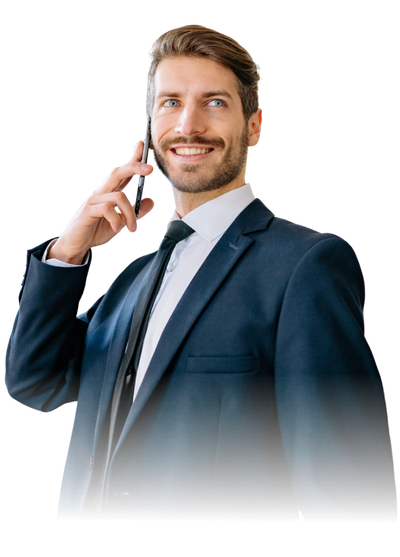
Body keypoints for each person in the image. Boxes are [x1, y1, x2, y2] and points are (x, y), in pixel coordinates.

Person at [4, 23, 396, 520]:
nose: (189, 125)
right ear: (149, 127)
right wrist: (68, 250)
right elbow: (34, 382)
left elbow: (347, 495)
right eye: (170, 102)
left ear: (254, 126)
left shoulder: (306, 266)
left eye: (214, 102)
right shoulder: (131, 281)